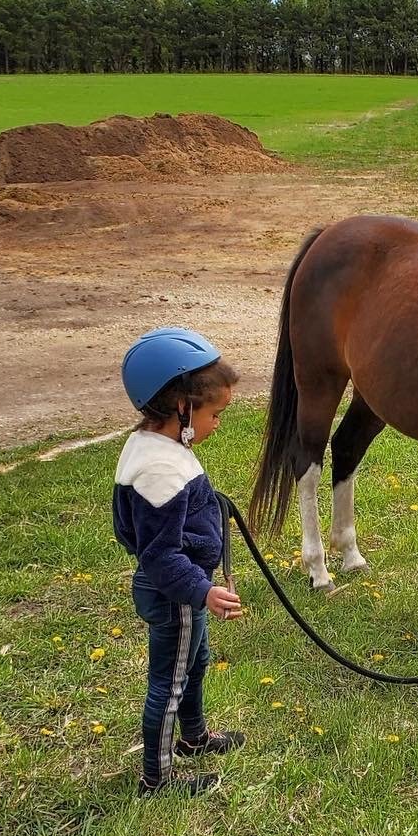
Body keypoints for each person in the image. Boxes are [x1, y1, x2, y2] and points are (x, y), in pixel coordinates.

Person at [113, 327, 244, 797]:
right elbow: (161, 553)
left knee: (195, 661)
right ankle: (157, 778)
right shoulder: (160, 468)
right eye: (215, 414)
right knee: (167, 683)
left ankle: (193, 737)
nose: (218, 424)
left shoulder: (159, 447)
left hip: (182, 588)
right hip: (175, 595)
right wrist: (204, 591)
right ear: (182, 408)